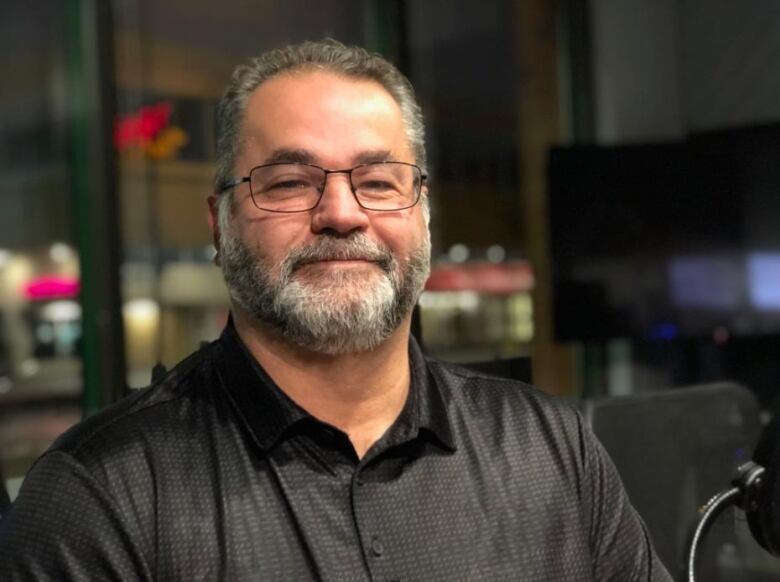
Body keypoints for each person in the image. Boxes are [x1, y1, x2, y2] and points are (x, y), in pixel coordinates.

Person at [0, 39, 671, 581]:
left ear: (424, 215)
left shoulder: (553, 448)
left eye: (378, 182)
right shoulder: (100, 496)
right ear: (220, 222)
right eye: (291, 182)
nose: (343, 213)